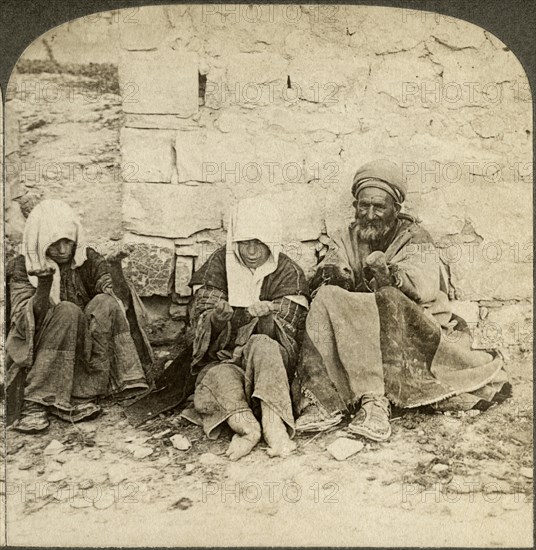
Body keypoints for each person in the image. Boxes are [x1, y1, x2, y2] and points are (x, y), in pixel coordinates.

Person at [294, 160, 510, 441]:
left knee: (388, 297)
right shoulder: (344, 237)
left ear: (396, 209)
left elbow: (424, 287)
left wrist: (389, 274)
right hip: (358, 330)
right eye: (363, 205)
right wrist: (336, 274)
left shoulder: (415, 237)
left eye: (379, 207)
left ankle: (374, 403)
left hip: (412, 330)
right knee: (325, 296)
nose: (370, 214)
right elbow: (331, 270)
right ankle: (322, 401)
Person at [6, 199, 153, 433]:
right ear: (40, 241)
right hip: (44, 355)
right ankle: (38, 402)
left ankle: (90, 391)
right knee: (66, 310)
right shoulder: (23, 266)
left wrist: (115, 269)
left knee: (105, 302)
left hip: (87, 350)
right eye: (55, 244)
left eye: (68, 242)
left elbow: (119, 304)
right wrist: (44, 285)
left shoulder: (86, 259)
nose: (63, 250)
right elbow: (24, 321)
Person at [182, 196, 309, 460]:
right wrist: (217, 319)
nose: (251, 252)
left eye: (258, 244)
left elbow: (292, 341)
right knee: (217, 377)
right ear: (234, 242)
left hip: (270, 369)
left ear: (270, 242)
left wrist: (265, 320)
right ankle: (248, 428)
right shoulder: (219, 265)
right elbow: (198, 332)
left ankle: (274, 425)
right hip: (227, 361)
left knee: (262, 345)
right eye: (244, 243)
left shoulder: (288, 272)